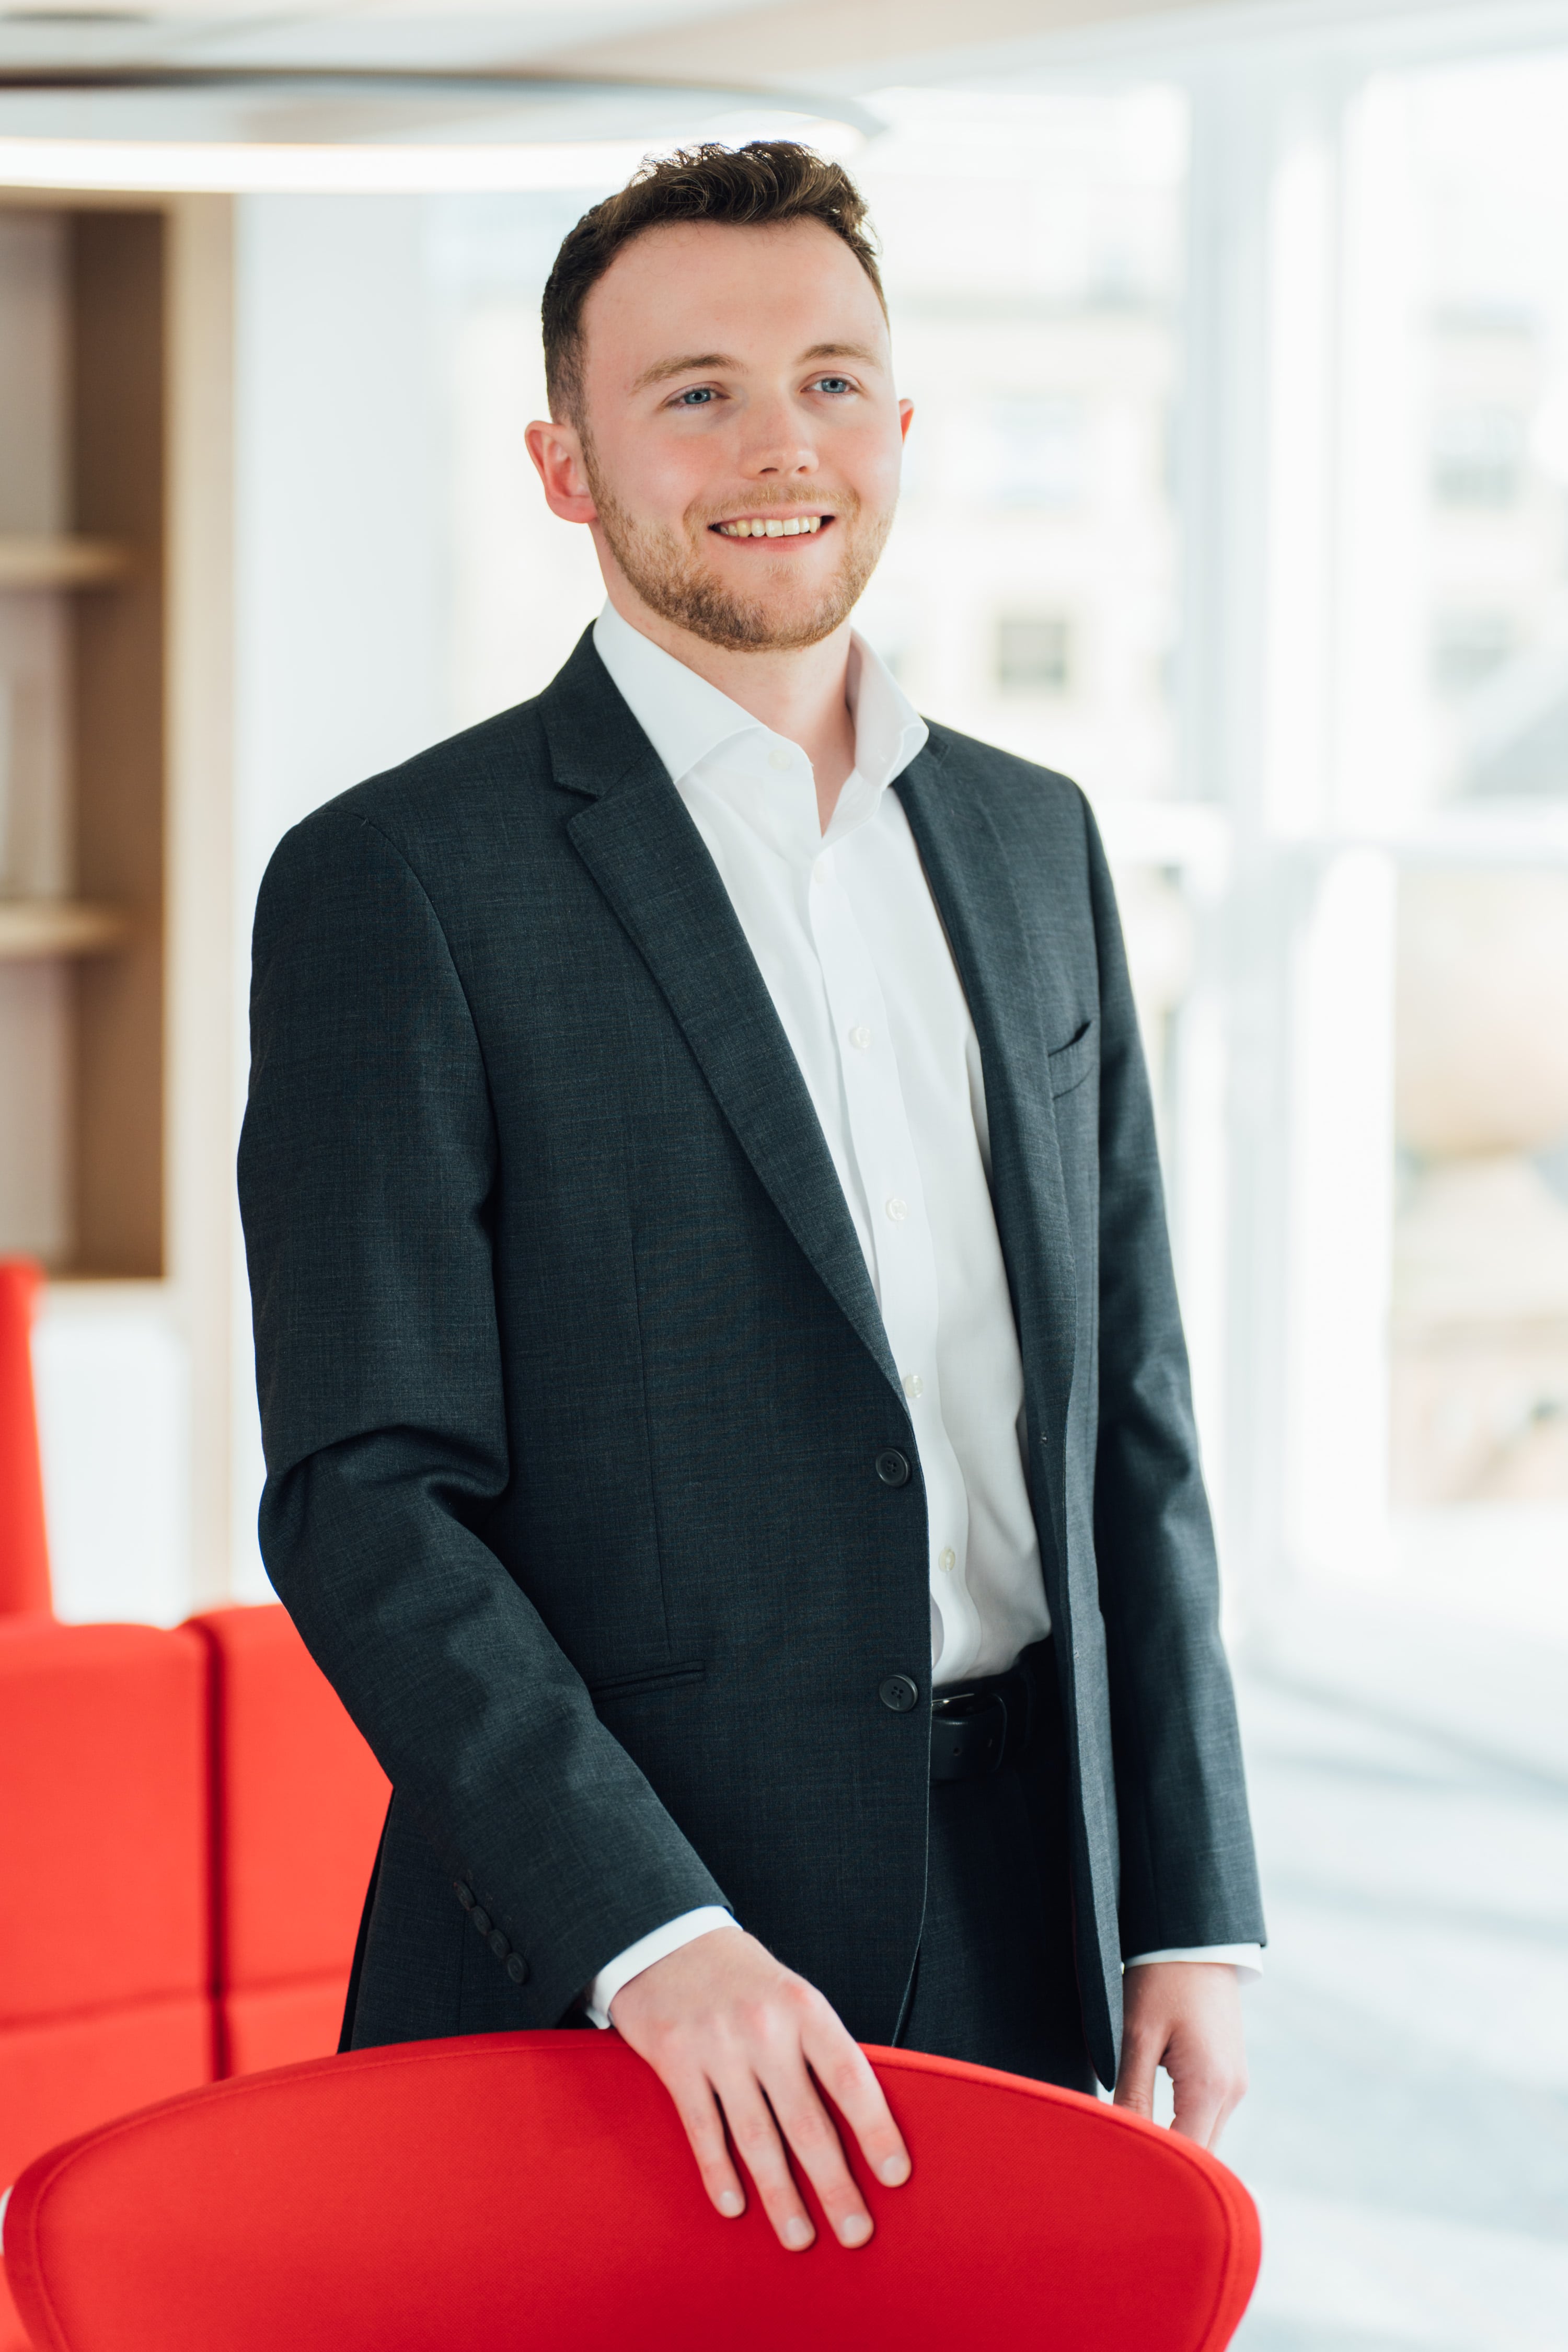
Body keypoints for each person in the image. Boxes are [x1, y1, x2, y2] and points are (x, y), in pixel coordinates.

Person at [238, 140, 1265, 2257]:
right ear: (561, 461)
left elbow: (1128, 1420)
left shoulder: (1035, 845)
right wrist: (646, 1926)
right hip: (602, 1961)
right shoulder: (402, 882)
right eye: (692, 391)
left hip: (1022, 1923)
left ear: (903, 425)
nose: (776, 444)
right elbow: (369, 1498)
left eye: (830, 378)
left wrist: (1189, 1891)